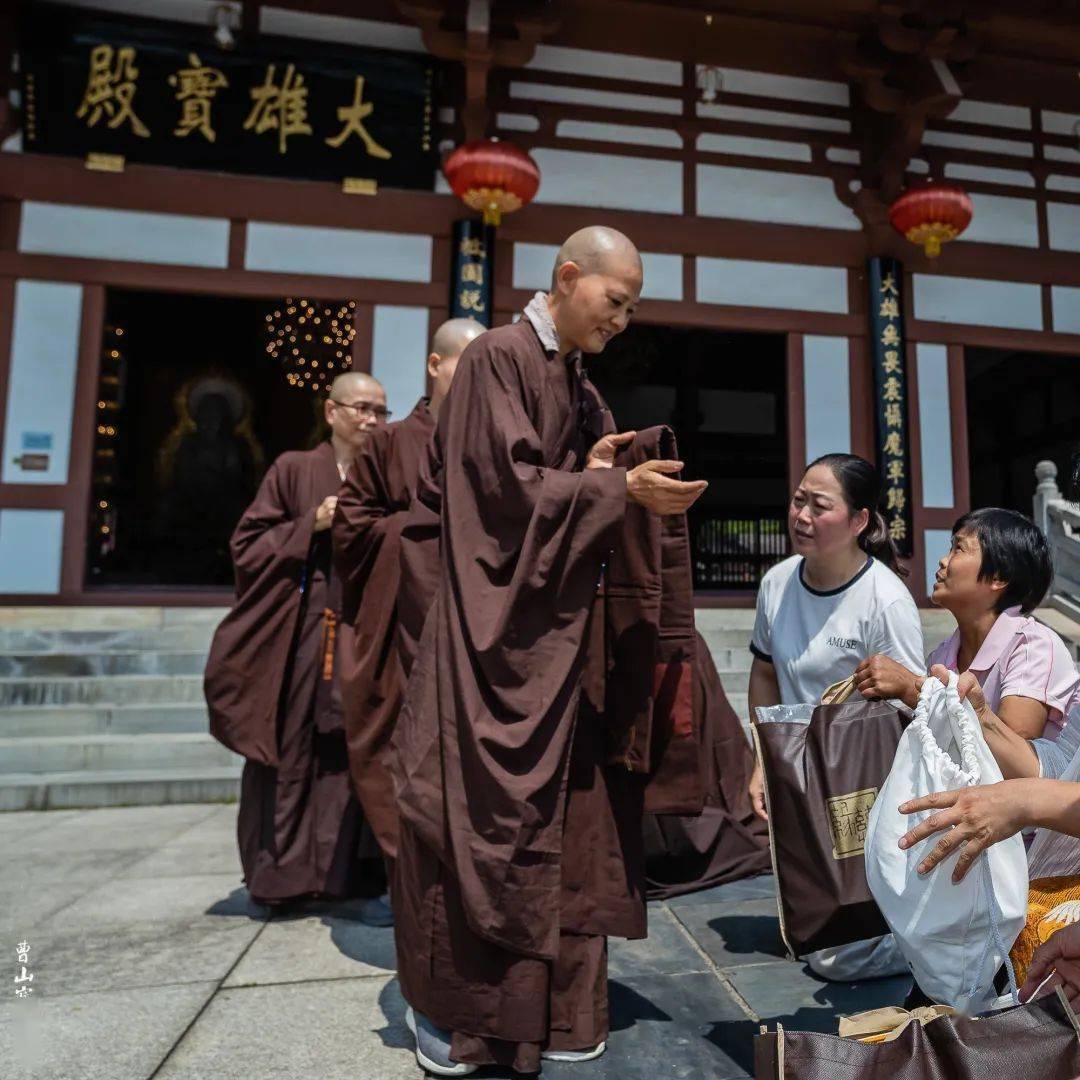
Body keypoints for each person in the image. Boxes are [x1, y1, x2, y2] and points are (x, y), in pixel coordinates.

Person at [390, 226, 708, 1077]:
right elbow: (504, 499)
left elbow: (558, 483)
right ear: (568, 277)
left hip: (554, 645)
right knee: (478, 827)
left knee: (568, 827)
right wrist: (610, 487)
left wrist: (608, 462)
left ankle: (558, 1017)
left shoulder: (576, 381)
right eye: (616, 301)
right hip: (493, 644)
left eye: (633, 307)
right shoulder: (497, 357)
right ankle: (462, 1023)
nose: (624, 321)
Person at [205, 371, 391, 915]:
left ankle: (349, 882)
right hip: (302, 633)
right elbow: (247, 545)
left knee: (351, 756)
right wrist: (311, 522)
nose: (371, 420)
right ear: (330, 411)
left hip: (360, 631)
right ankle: (278, 882)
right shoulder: (294, 469)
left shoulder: (385, 472)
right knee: (290, 752)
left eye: (380, 410)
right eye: (360, 408)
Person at [746, 452, 925, 981]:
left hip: (862, 774)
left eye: (819, 506)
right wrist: (762, 756)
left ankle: (916, 944)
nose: (801, 515)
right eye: (799, 499)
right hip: (799, 763)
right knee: (809, 897)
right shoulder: (777, 584)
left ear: (859, 521)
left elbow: (910, 702)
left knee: (839, 958)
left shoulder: (885, 600)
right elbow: (763, 672)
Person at [331, 317, 484, 924]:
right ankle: (412, 885)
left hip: (474, 626)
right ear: (434, 365)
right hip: (402, 625)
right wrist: (417, 536)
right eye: (465, 365)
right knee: (401, 747)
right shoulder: (391, 442)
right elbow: (352, 526)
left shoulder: (492, 437)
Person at [854, 508, 1078, 778]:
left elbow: (1012, 763)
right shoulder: (943, 655)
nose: (942, 560)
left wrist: (912, 689)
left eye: (958, 548)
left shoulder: (1031, 645)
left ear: (999, 577)